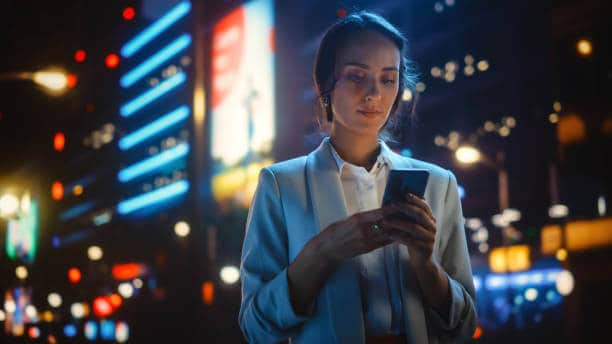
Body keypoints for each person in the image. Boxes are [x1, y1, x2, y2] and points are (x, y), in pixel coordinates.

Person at [239, 11, 477, 344]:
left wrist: (426, 265)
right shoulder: (280, 185)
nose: (373, 93)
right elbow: (256, 327)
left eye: (388, 78)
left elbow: (464, 326)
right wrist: (322, 252)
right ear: (325, 85)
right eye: (356, 76)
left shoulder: (439, 184)